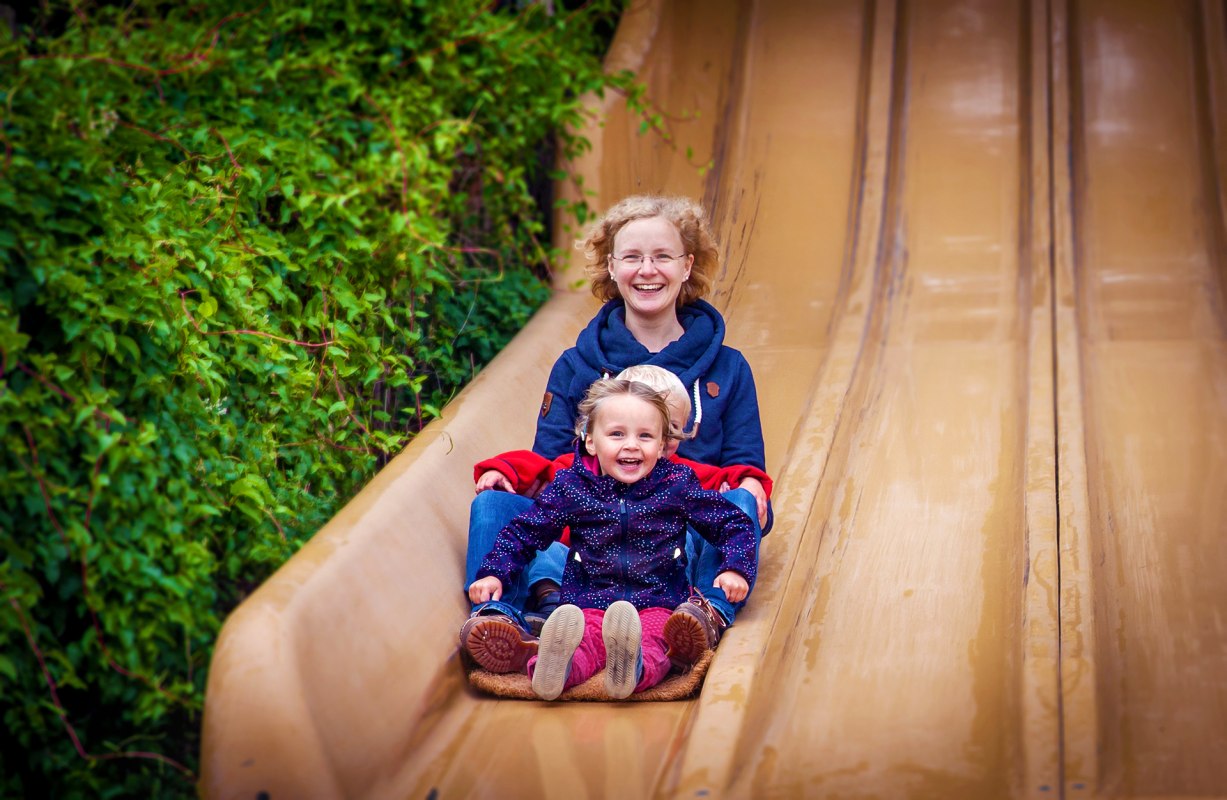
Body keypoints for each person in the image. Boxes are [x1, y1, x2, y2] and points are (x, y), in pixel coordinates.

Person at [461, 195, 769, 670]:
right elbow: (552, 469)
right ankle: (503, 619)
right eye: (632, 257)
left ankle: (704, 614)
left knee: (742, 503)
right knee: (493, 505)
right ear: (611, 266)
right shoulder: (576, 366)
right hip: (592, 545)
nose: (648, 270)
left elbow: (745, 467)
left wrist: (747, 482)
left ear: (687, 266)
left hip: (677, 540)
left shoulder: (728, 368)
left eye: (663, 256)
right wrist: (513, 477)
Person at [466, 365, 773, 672]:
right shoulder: (575, 482)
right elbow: (526, 523)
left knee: (656, 645)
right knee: (580, 643)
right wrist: (502, 470)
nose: (631, 444)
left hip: (659, 601)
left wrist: (736, 561)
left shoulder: (677, 481)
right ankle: (544, 661)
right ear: (589, 441)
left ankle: (646, 660)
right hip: (589, 602)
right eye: (617, 433)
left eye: (646, 434)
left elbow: (731, 516)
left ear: (665, 441)